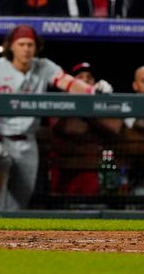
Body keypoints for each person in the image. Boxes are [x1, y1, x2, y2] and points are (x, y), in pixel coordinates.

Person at [0, 25, 95, 211]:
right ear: (11, 47)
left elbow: (68, 82)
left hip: (28, 142)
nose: (26, 49)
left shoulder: (43, 66)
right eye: (21, 44)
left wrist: (93, 91)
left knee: (20, 202)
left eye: (30, 44)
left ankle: (10, 238)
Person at [49, 62, 115, 197]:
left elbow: (114, 128)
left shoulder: (102, 105)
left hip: (92, 169)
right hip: (64, 170)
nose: (85, 80)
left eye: (90, 77)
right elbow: (73, 129)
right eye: (80, 77)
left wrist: (100, 102)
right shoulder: (59, 102)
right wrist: (88, 108)